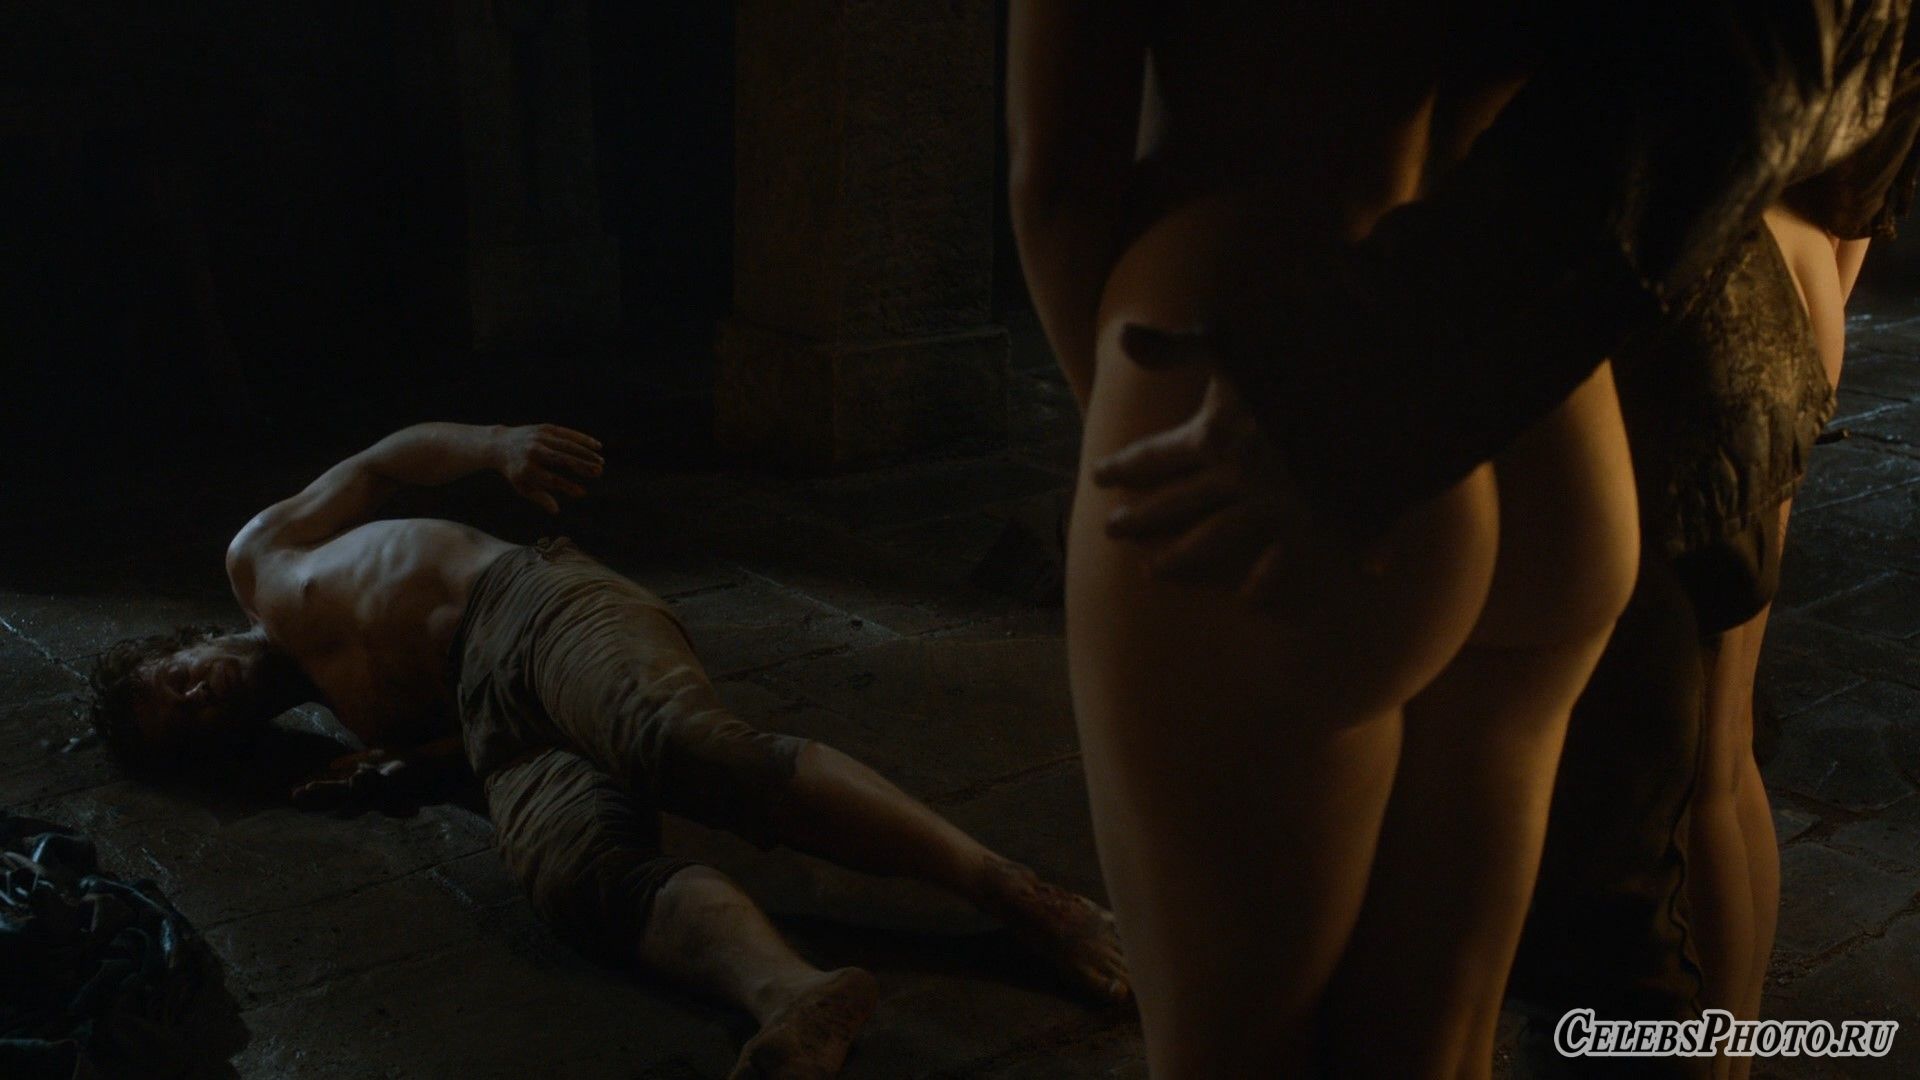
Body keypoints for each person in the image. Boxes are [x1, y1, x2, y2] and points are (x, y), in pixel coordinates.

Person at [1010, 2, 1915, 1076]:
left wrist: (1120, 461)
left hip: (1257, 333)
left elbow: (1059, 178)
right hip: (1540, 415)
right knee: (1439, 1048)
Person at [86, 421, 1129, 1080]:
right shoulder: (348, 723)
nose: (199, 696)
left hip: (531, 607)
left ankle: (1028, 900)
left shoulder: (260, 558)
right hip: (501, 734)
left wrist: (494, 445)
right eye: (192, 722)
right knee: (572, 881)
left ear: (182, 644)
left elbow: (380, 464)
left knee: (673, 742)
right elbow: (458, 737)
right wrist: (410, 764)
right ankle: (791, 994)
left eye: (177, 680)